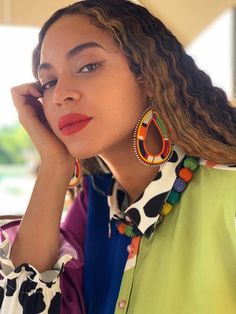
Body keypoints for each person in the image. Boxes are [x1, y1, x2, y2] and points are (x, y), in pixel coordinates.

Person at [0, 0, 235, 313]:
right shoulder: (94, 206)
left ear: (149, 76)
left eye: (88, 66)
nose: (60, 94)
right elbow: (20, 306)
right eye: (49, 81)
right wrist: (55, 164)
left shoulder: (228, 195)